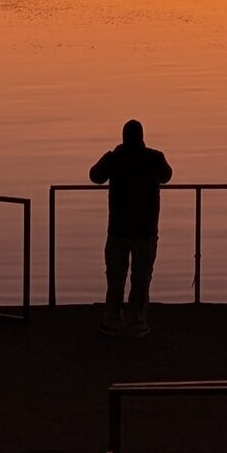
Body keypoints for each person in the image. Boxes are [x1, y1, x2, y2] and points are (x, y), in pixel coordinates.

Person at [89, 119, 172, 336]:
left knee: (116, 276)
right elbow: (167, 176)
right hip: (146, 229)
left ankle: (113, 317)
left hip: (118, 228)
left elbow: (95, 176)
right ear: (142, 137)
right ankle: (137, 318)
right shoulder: (154, 158)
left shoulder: (115, 158)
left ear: (123, 137)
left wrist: (111, 154)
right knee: (141, 276)